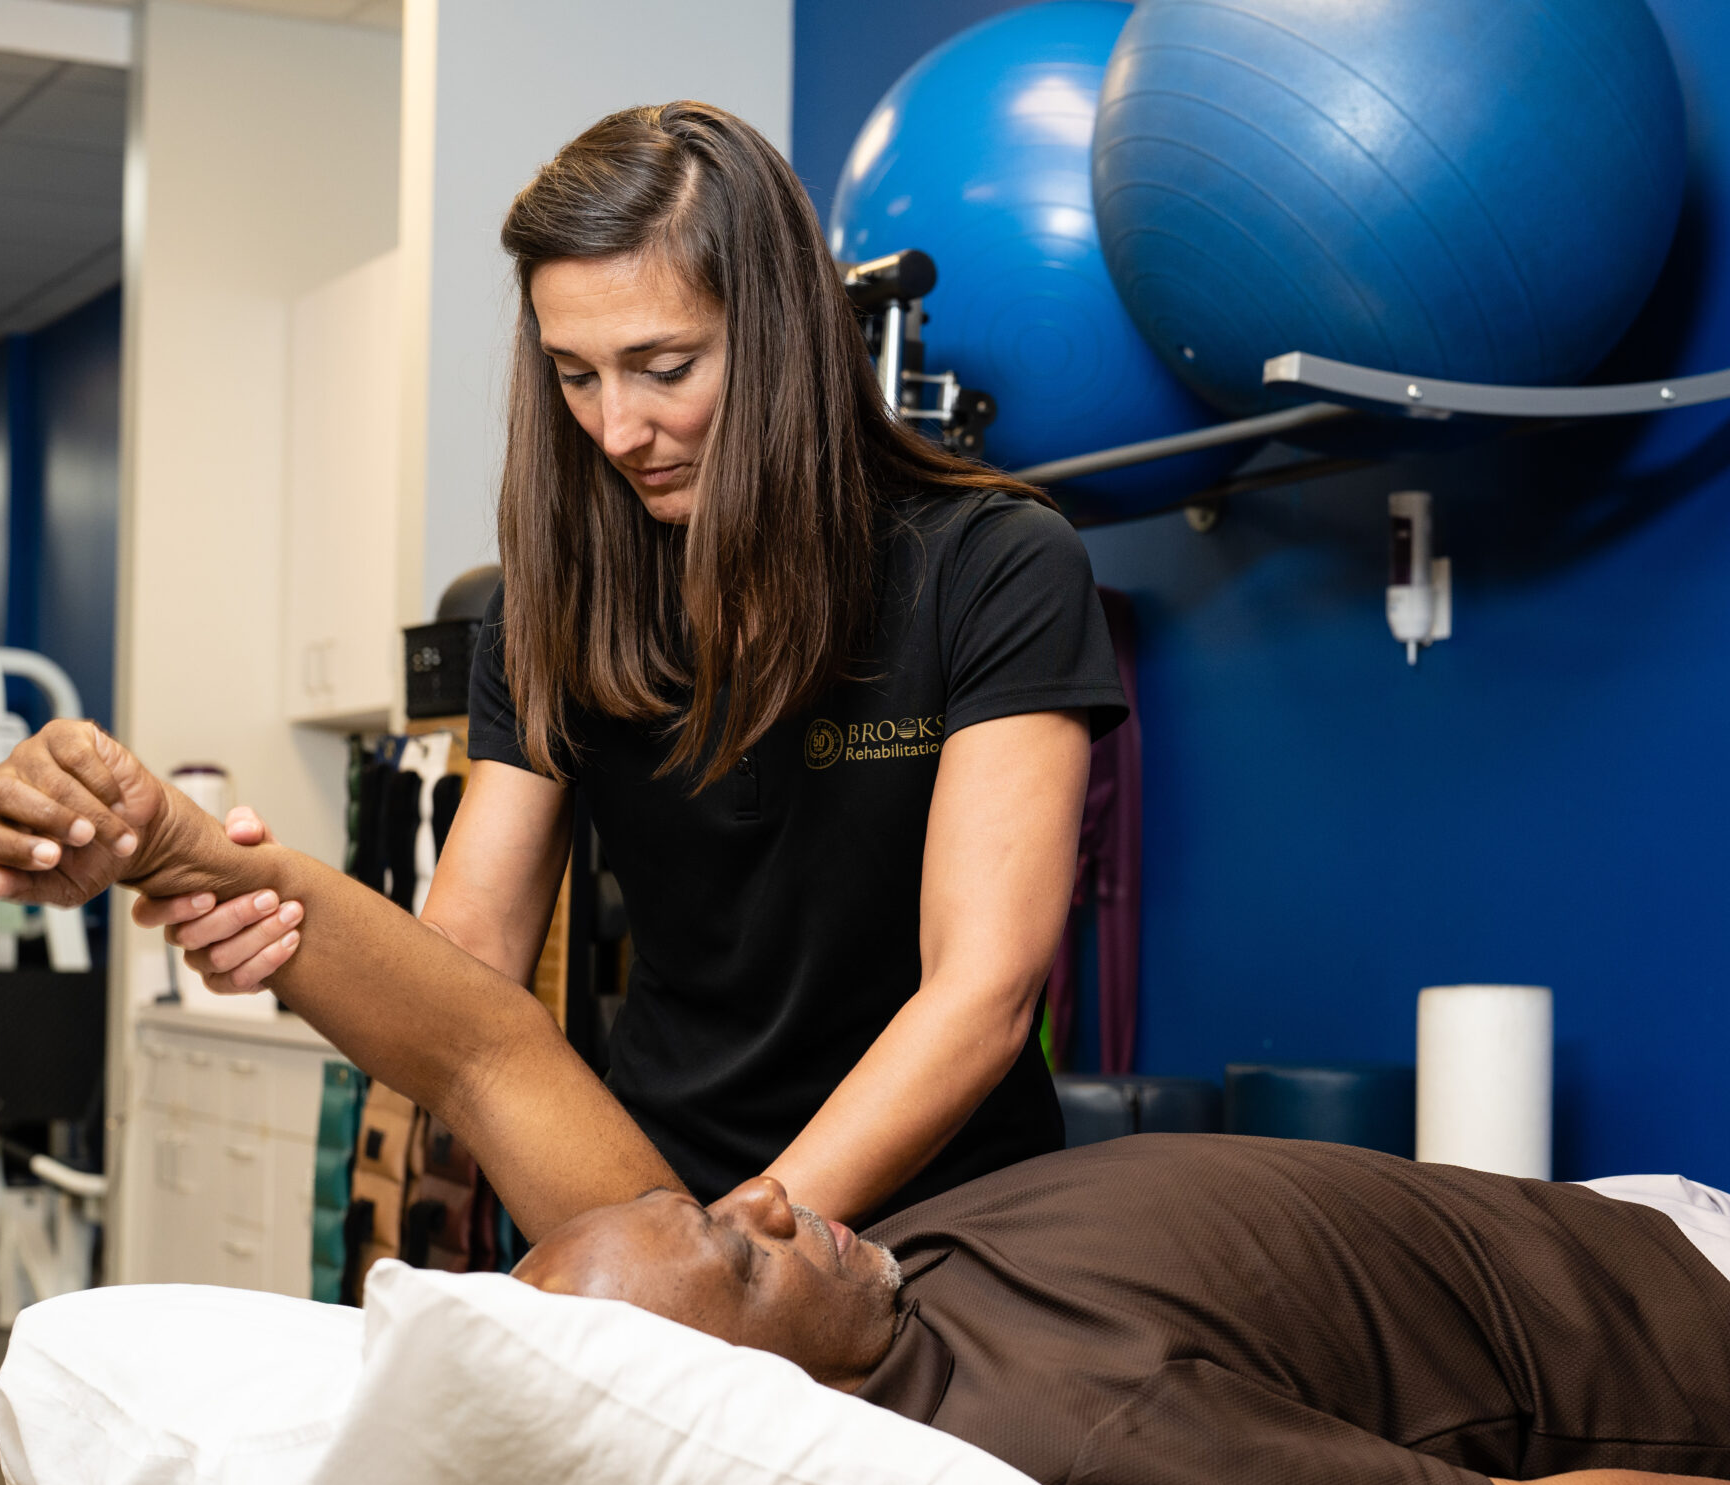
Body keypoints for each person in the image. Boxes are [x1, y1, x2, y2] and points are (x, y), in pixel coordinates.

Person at [0, 729, 1730, 1485]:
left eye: (727, 1207)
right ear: (760, 1398)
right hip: (1711, 1370)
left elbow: (478, 1038)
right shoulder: (1072, 1446)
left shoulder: (757, 1288)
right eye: (745, 1254)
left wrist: (177, 848)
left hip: (1600, 1226)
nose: (781, 1202)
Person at [128, 101, 1126, 1224]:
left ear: (783, 335)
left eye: (663, 367)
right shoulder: (552, 611)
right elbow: (467, 968)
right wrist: (283, 931)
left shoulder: (993, 567)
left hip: (934, 1216)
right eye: (576, 375)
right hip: (644, 1193)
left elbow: (979, 992)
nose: (615, 430)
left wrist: (743, 1246)